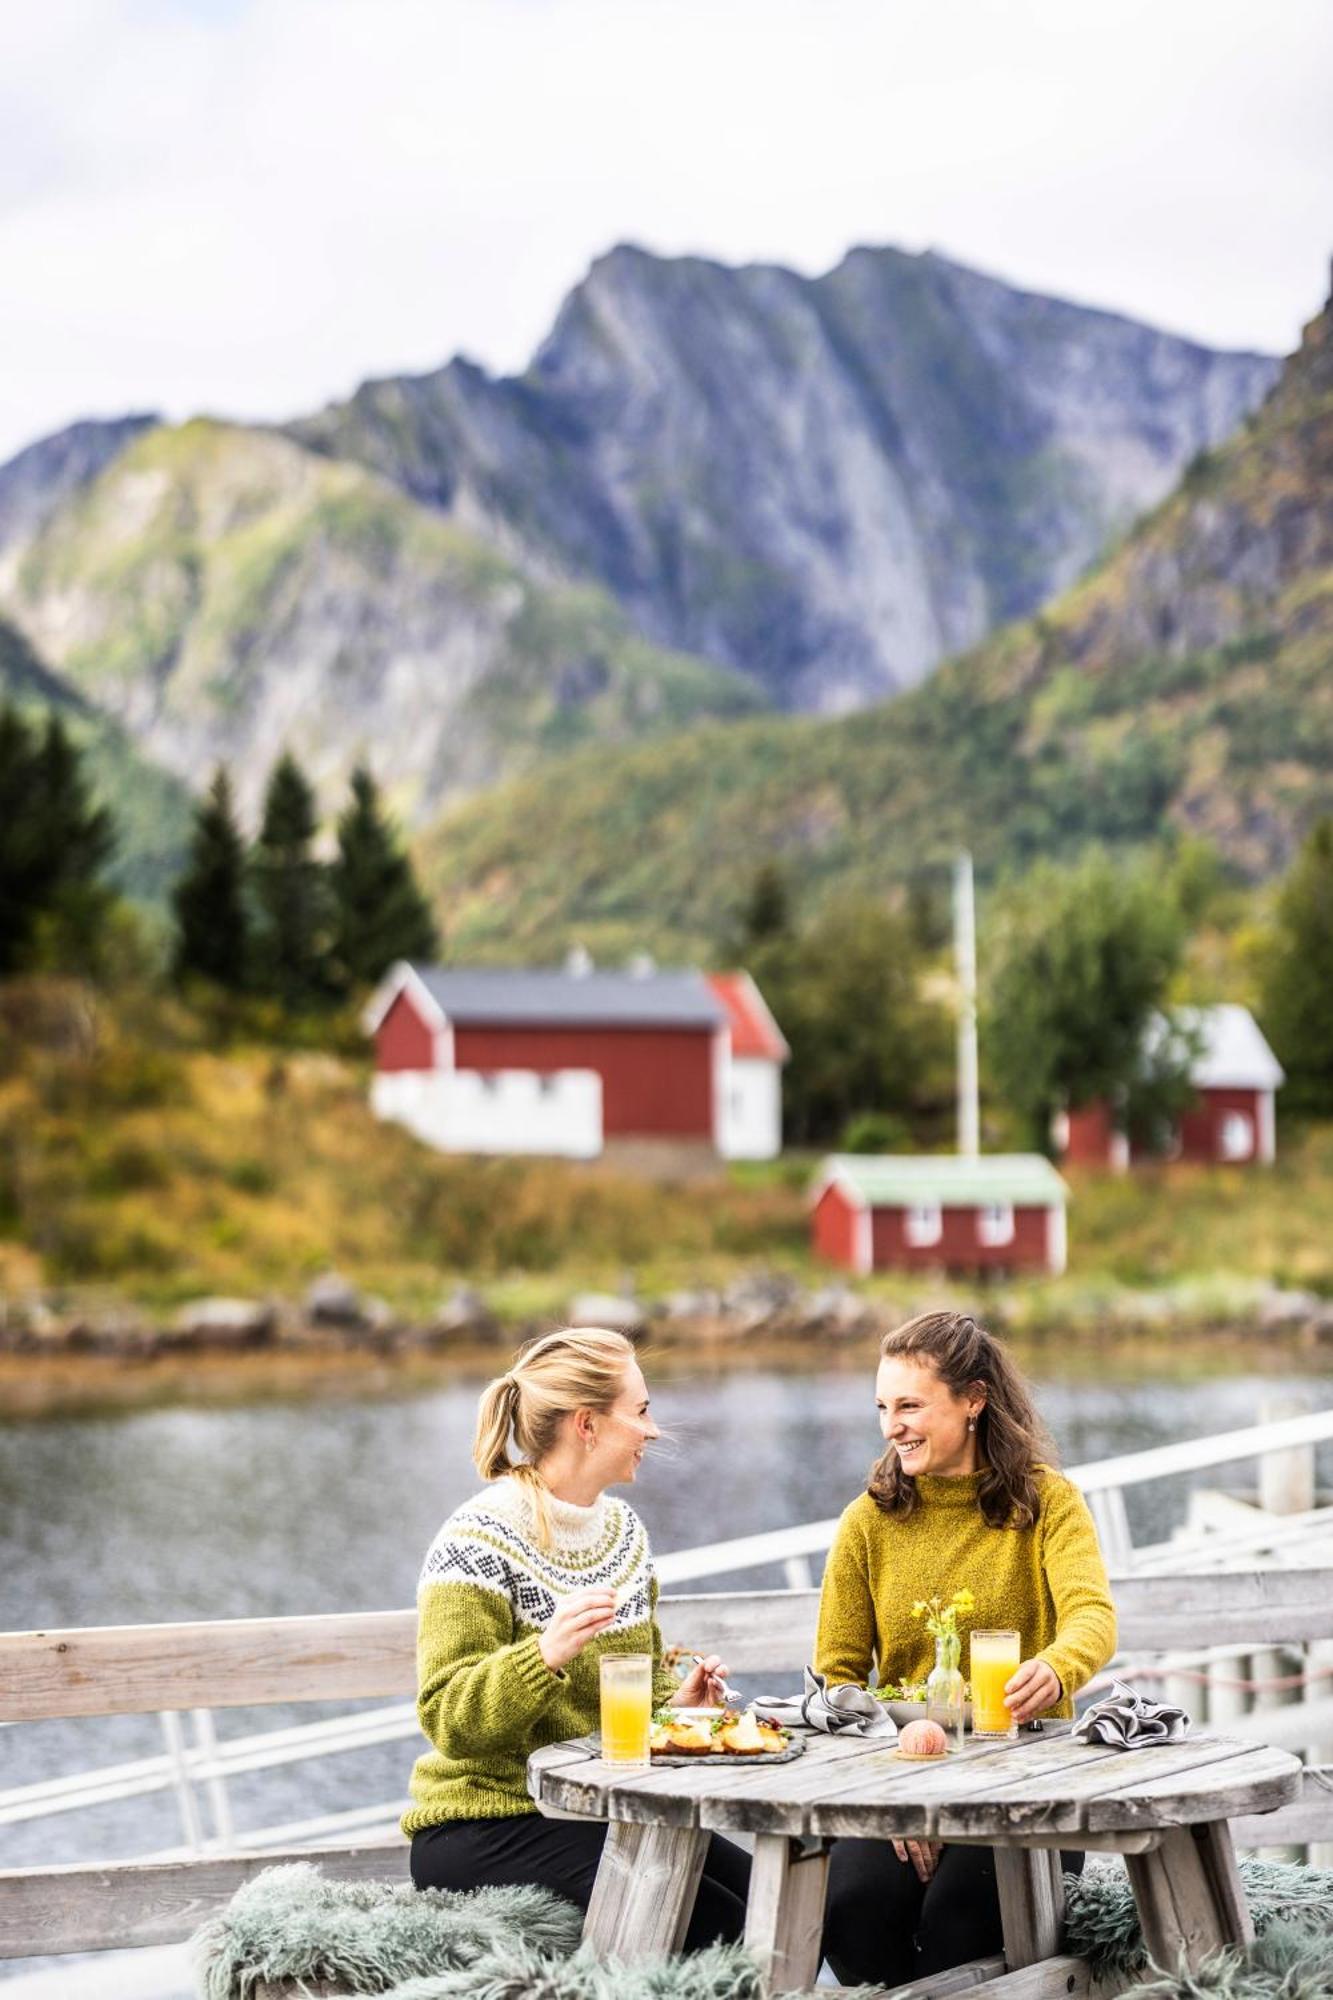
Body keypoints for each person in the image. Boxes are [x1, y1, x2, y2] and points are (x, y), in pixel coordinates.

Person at [404, 1326, 751, 1945]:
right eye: (640, 1411)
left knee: (763, 1896)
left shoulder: (623, 1534)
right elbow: (447, 1719)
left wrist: (678, 1708)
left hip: (597, 1808)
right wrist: (543, 1655)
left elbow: (630, 1703)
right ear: (586, 1425)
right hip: (485, 1821)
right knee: (711, 1921)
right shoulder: (477, 1539)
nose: (653, 1430)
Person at [815, 1309, 1117, 1989]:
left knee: (961, 1921)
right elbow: (835, 1679)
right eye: (882, 1407)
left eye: (910, 1405)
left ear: (972, 1400)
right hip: (897, 1770)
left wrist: (1055, 1666)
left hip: (1025, 1777)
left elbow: (1091, 1618)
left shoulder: (1048, 1502)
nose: (892, 1425)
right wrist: (896, 1795)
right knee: (852, 1911)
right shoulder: (866, 1522)